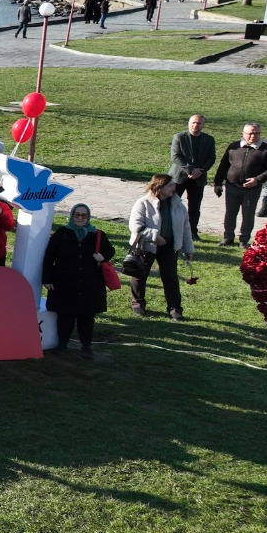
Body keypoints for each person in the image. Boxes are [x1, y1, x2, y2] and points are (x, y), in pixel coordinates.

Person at [42, 203, 114, 359]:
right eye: (77, 215)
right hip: (65, 282)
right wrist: (47, 279)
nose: (80, 218)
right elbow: (49, 256)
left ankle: (86, 346)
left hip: (89, 284)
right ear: (72, 216)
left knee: (87, 317)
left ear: (88, 217)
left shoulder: (97, 234)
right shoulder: (62, 233)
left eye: (84, 215)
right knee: (65, 315)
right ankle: (62, 344)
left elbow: (110, 250)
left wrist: (103, 257)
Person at [128, 174, 194, 320]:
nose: (174, 187)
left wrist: (188, 249)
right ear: (160, 187)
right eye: (170, 185)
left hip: (169, 246)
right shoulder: (143, 203)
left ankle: (175, 309)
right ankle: (138, 303)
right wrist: (154, 236)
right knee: (140, 275)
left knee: (171, 278)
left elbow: (185, 228)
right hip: (145, 246)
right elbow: (135, 226)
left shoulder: (179, 205)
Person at [213, 123, 267, 247]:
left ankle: (244, 239)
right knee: (230, 213)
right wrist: (217, 183)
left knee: (248, 214)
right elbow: (223, 165)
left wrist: (257, 179)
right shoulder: (234, 146)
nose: (253, 136)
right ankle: (228, 237)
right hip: (232, 187)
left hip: (251, 189)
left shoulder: (266, 149)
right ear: (243, 134)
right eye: (250, 133)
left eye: (256, 133)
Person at [170, 114, 215, 241]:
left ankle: (192, 232)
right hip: (179, 177)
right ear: (189, 123)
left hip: (198, 178)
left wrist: (200, 171)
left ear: (203, 125)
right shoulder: (179, 137)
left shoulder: (209, 139)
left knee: (195, 207)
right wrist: (190, 169)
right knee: (172, 204)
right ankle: (171, 230)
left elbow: (211, 158)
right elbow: (176, 156)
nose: (195, 125)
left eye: (199, 123)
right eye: (193, 122)